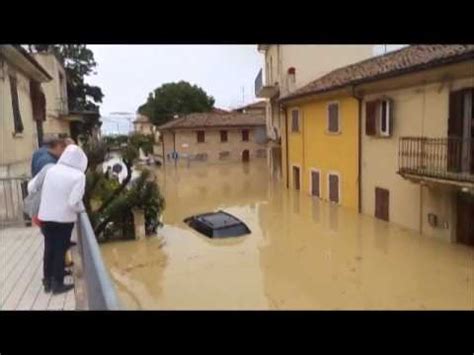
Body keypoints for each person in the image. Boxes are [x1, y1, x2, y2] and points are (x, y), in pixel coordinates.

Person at [29, 145, 88, 294]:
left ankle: (47, 281)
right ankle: (58, 284)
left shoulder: (51, 170)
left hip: (45, 217)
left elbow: (31, 186)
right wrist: (80, 210)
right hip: (63, 220)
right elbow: (73, 202)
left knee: (49, 249)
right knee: (60, 250)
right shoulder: (78, 176)